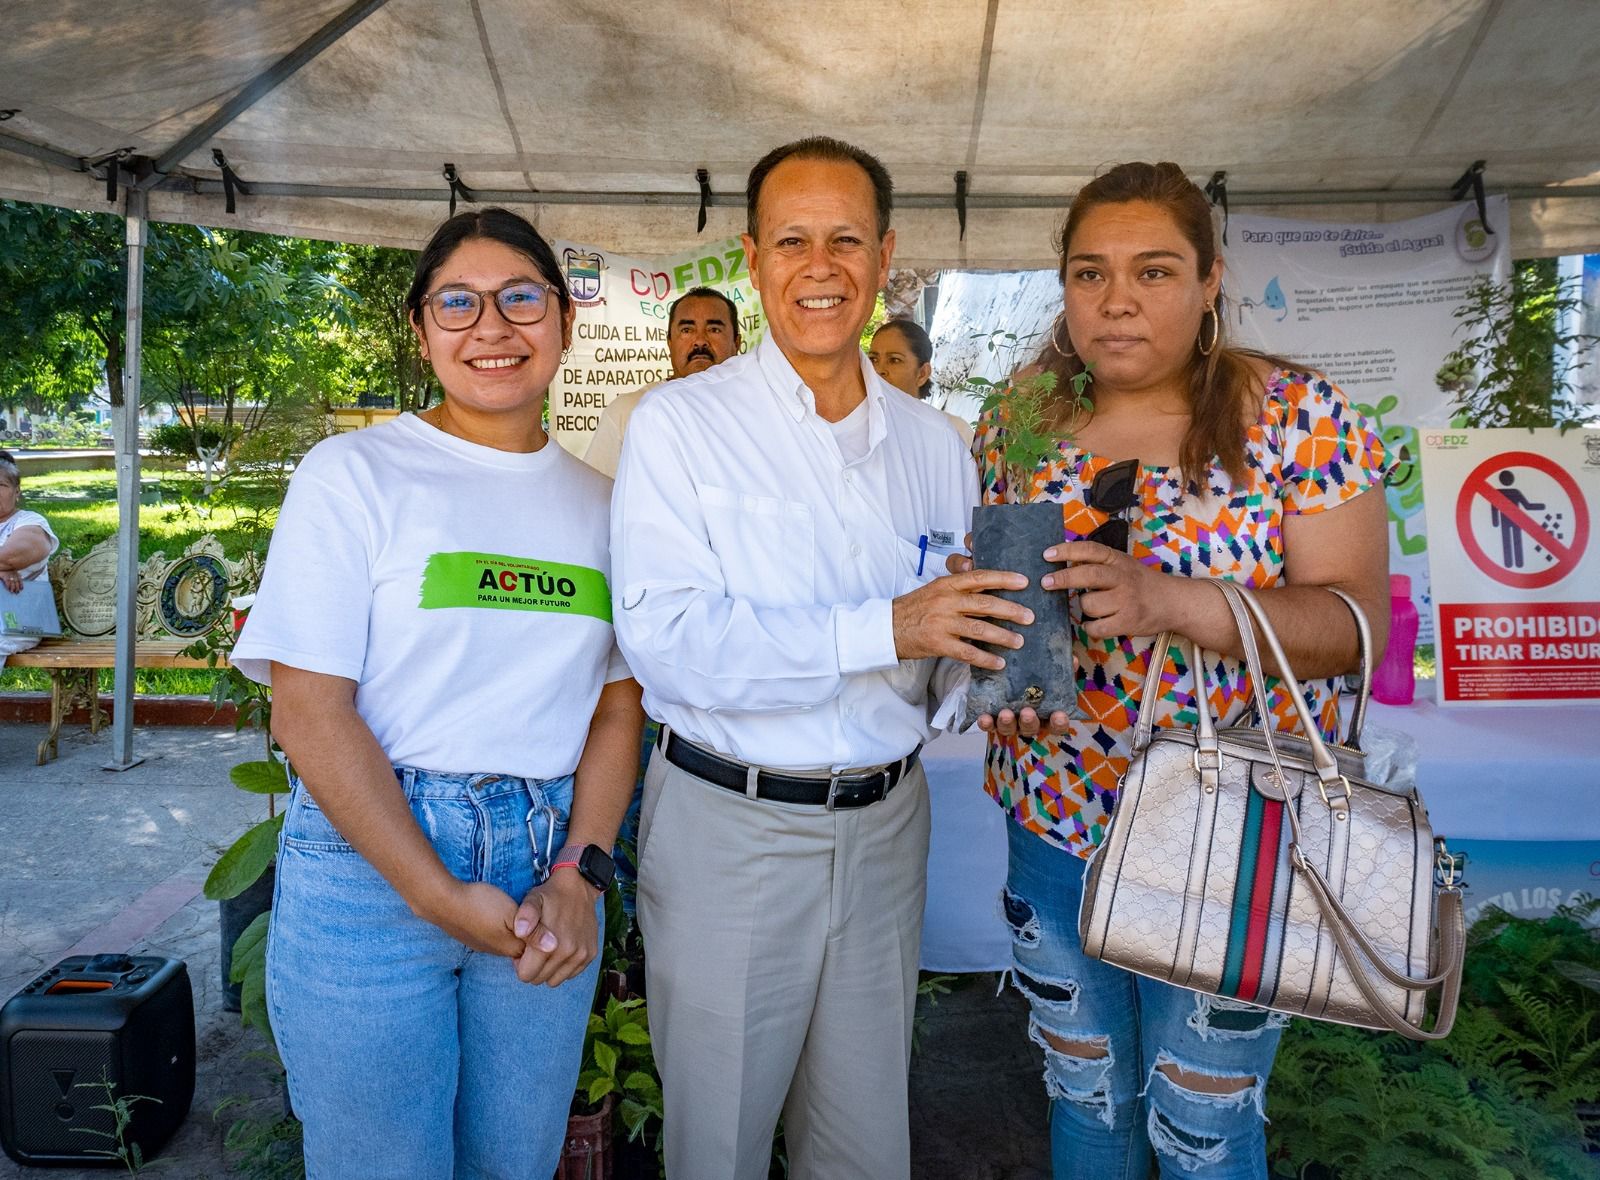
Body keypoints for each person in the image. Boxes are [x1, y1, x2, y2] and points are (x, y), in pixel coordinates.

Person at [610, 136, 1031, 1180]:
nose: (821, 264)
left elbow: (942, 643)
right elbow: (666, 641)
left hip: (889, 829)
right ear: (753, 259)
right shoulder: (680, 427)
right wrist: (889, 627)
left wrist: (991, 679)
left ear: (886, 255)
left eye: (846, 238)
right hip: (730, 829)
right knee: (720, 1145)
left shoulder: (937, 443)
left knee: (863, 1146)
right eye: (793, 239)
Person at [965, 162, 1391, 1179]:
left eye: (1154, 271)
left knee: (1200, 1130)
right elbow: (1024, 620)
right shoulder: (1018, 424)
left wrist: (1173, 602)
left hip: (1237, 839)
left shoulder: (1293, 416)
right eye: (1089, 272)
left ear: (1209, 282)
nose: (1117, 300)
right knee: (1087, 1104)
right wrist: (1005, 674)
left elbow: (1355, 622)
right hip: (1055, 822)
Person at [230, 208, 645, 1180]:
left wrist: (582, 873)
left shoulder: (608, 507)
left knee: (514, 1161)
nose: (491, 326)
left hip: (543, 866)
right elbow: (307, 710)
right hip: (370, 873)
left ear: (564, 323)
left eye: (521, 298)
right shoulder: (354, 475)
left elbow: (616, 709)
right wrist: (432, 890)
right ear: (420, 330)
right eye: (457, 302)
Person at [582, 285, 742, 477]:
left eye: (714, 329)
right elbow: (598, 499)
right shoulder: (626, 412)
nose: (700, 341)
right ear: (670, 343)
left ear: (736, 343)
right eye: (687, 330)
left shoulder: (755, 412)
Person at [868, 317, 975, 447]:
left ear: (922, 374)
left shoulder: (953, 432)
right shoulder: (855, 429)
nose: (879, 370)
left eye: (894, 360)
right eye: (873, 359)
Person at [0, 450, 59, 658]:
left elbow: (10, 557)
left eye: (1, 485)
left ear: (17, 491)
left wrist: (4, 566)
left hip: (18, 621)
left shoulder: (31, 522)